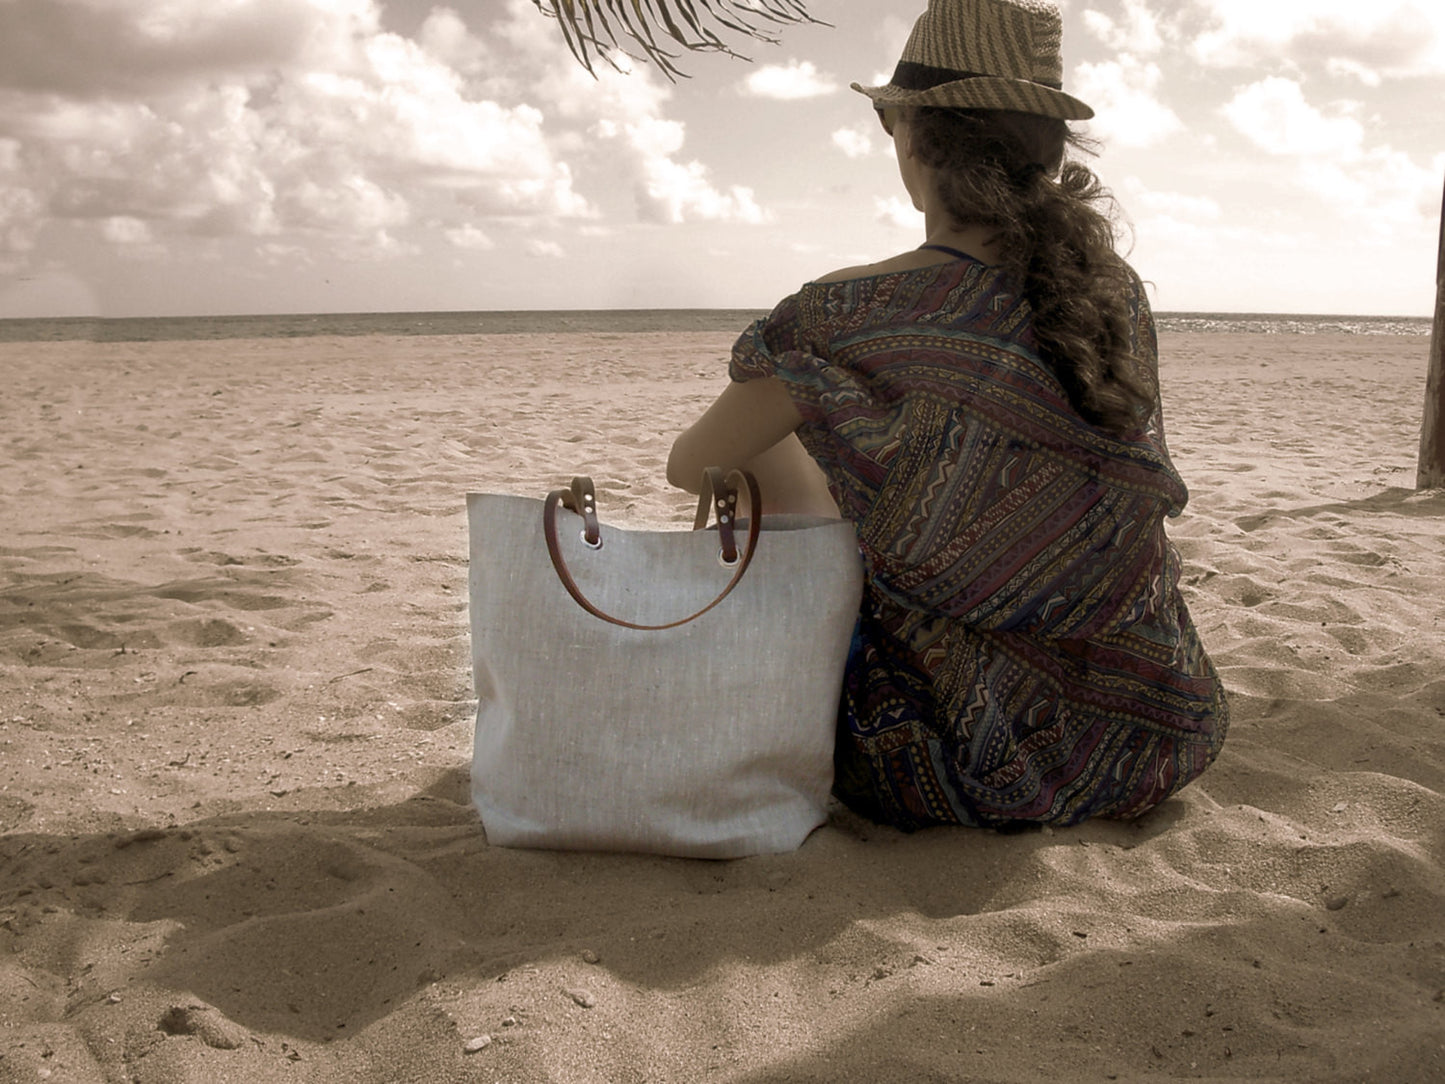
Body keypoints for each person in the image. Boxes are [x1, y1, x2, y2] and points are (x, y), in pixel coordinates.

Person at [667, 0, 1229, 831]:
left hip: (953, 760)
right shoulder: (1109, 292)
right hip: (1153, 730)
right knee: (849, 431)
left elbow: (692, 465)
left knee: (768, 442)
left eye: (889, 120)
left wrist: (822, 415)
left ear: (916, 135)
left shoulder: (843, 312)